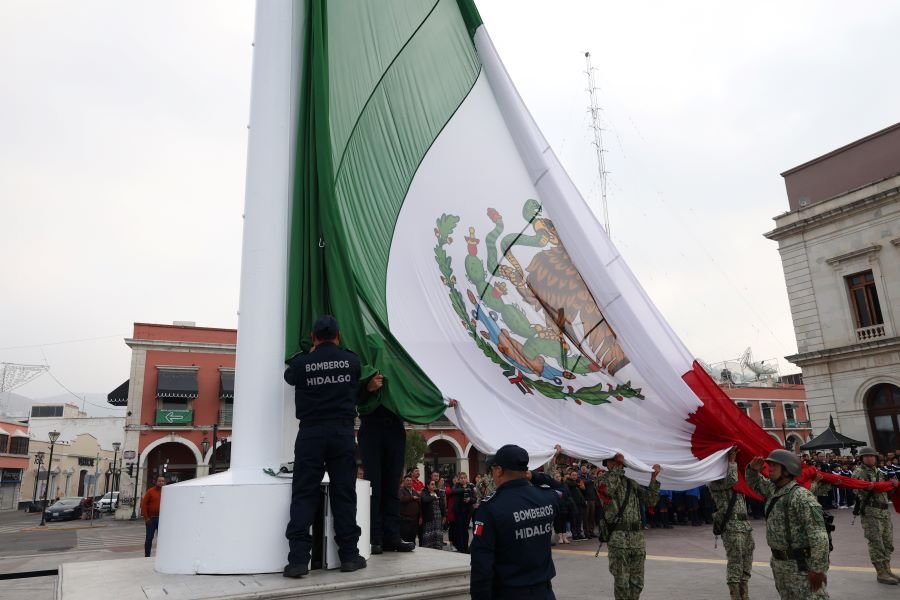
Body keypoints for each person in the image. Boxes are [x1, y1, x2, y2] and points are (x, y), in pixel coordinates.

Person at [282, 315, 379, 578]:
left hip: (310, 433)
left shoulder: (301, 363)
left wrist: (311, 355)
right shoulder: (351, 361)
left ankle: (299, 560)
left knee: (304, 493)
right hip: (342, 433)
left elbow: (289, 376)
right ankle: (349, 555)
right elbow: (352, 389)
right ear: (339, 336)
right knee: (344, 493)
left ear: (313, 337)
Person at [470, 444, 559, 599]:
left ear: (499, 470)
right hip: (544, 592)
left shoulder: (491, 508)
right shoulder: (547, 497)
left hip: (510, 593)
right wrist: (537, 477)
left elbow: (482, 565)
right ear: (525, 471)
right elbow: (565, 493)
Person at [746, 450, 829, 599]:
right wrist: (752, 470)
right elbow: (755, 483)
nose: (769, 469)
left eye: (774, 466)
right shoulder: (774, 491)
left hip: (800, 566)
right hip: (781, 565)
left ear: (787, 470)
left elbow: (819, 535)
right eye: (769, 465)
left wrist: (818, 570)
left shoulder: (801, 496)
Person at [597, 453, 661, 600]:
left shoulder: (631, 483)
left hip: (637, 539)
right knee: (622, 583)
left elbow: (650, 501)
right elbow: (607, 490)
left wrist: (653, 479)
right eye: (613, 462)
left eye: (619, 462)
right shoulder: (602, 480)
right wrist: (618, 466)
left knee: (637, 582)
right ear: (607, 464)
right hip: (618, 538)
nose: (617, 464)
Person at [708, 447, 754, 600]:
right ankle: (735, 596)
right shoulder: (714, 482)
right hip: (732, 526)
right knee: (735, 561)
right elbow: (731, 480)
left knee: (746, 561)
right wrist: (732, 461)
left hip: (745, 525)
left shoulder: (737, 482)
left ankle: (744, 594)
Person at [852, 446, 900, 585]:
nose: (870, 458)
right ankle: (881, 573)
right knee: (876, 543)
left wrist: (893, 486)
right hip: (871, 512)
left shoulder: (879, 472)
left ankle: (888, 570)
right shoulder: (859, 472)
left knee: (887, 542)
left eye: (872, 456)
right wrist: (872, 487)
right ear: (861, 458)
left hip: (884, 512)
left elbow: (886, 493)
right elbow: (857, 490)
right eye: (866, 456)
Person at [140, 476, 166, 558]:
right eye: (159, 481)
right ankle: (147, 555)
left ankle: (161, 555)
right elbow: (143, 504)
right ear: (156, 482)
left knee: (162, 539)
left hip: (162, 519)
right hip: (151, 519)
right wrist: (146, 518)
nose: (161, 482)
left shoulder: (166, 492)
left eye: (162, 481)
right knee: (149, 538)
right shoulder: (150, 491)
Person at [452, 472, 476, 553]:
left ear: (466, 478)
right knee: (459, 529)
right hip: (458, 510)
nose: (463, 479)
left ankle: (465, 548)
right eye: (461, 478)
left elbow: (474, 499)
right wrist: (464, 489)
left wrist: (469, 499)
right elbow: (454, 491)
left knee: (465, 529)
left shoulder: (471, 486)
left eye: (464, 478)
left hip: (467, 511)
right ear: (459, 479)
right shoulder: (456, 486)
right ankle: (460, 547)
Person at [421, 479, 446, 550]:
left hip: (438, 516)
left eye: (434, 484)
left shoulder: (437, 493)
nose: (434, 486)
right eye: (432, 484)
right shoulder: (425, 492)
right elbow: (425, 500)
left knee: (438, 532)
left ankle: (438, 546)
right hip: (429, 516)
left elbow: (442, 505)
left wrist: (444, 515)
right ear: (428, 486)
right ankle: (428, 548)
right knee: (429, 532)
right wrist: (433, 497)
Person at [399, 475, 422, 545]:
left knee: (413, 537)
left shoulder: (414, 491)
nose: (409, 482)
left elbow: (420, 504)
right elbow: (401, 499)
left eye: (410, 480)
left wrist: (421, 516)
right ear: (404, 482)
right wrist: (412, 497)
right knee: (405, 538)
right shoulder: (401, 490)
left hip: (414, 519)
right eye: (407, 480)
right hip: (405, 518)